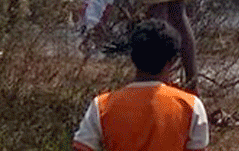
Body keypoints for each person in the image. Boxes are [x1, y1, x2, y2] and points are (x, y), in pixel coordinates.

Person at [72, 19, 209, 151]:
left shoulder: (103, 106)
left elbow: (82, 146)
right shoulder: (190, 106)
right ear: (172, 61)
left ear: (133, 57)